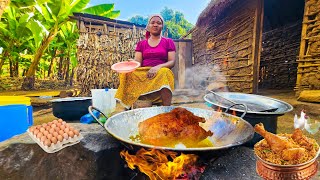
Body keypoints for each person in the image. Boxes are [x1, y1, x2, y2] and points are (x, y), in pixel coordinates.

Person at [115, 14, 176, 109]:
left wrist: (157, 67)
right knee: (126, 73)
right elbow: (138, 63)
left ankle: (166, 109)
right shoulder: (141, 44)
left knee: (165, 72)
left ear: (162, 26)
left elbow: (172, 62)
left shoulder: (168, 42)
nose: (155, 25)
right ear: (148, 26)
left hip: (160, 71)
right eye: (153, 22)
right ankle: (128, 106)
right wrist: (133, 63)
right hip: (144, 72)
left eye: (159, 23)